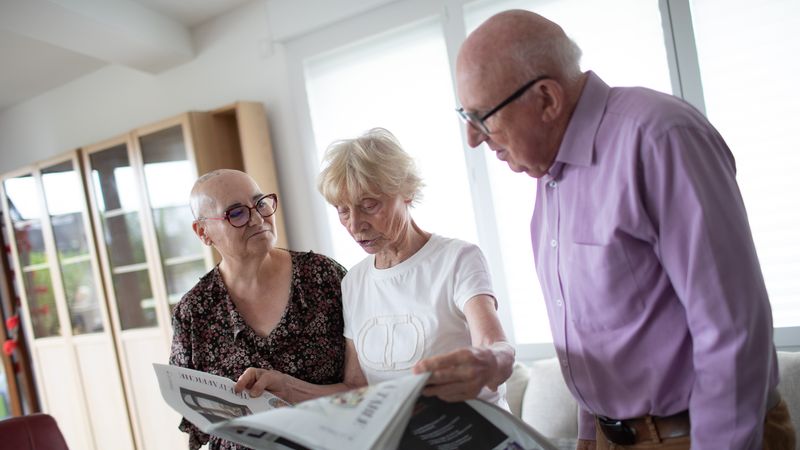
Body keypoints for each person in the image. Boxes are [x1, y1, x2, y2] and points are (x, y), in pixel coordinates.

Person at [454, 9, 795, 450]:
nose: (474, 138)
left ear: (547, 99)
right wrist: (587, 435)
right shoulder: (550, 177)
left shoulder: (659, 136)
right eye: (465, 114)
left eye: (483, 116)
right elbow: (594, 330)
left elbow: (731, 326)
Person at [316, 127, 515, 407]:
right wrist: (284, 387)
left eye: (369, 205)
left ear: (406, 192)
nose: (354, 224)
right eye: (343, 210)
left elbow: (494, 345)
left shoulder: (457, 258)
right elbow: (355, 387)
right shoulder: (354, 282)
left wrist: (493, 361)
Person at [169, 169, 360, 450]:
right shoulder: (194, 311)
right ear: (203, 232)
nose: (258, 219)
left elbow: (362, 391)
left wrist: (292, 390)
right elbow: (200, 426)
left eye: (261, 204)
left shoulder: (323, 277)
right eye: (236, 213)